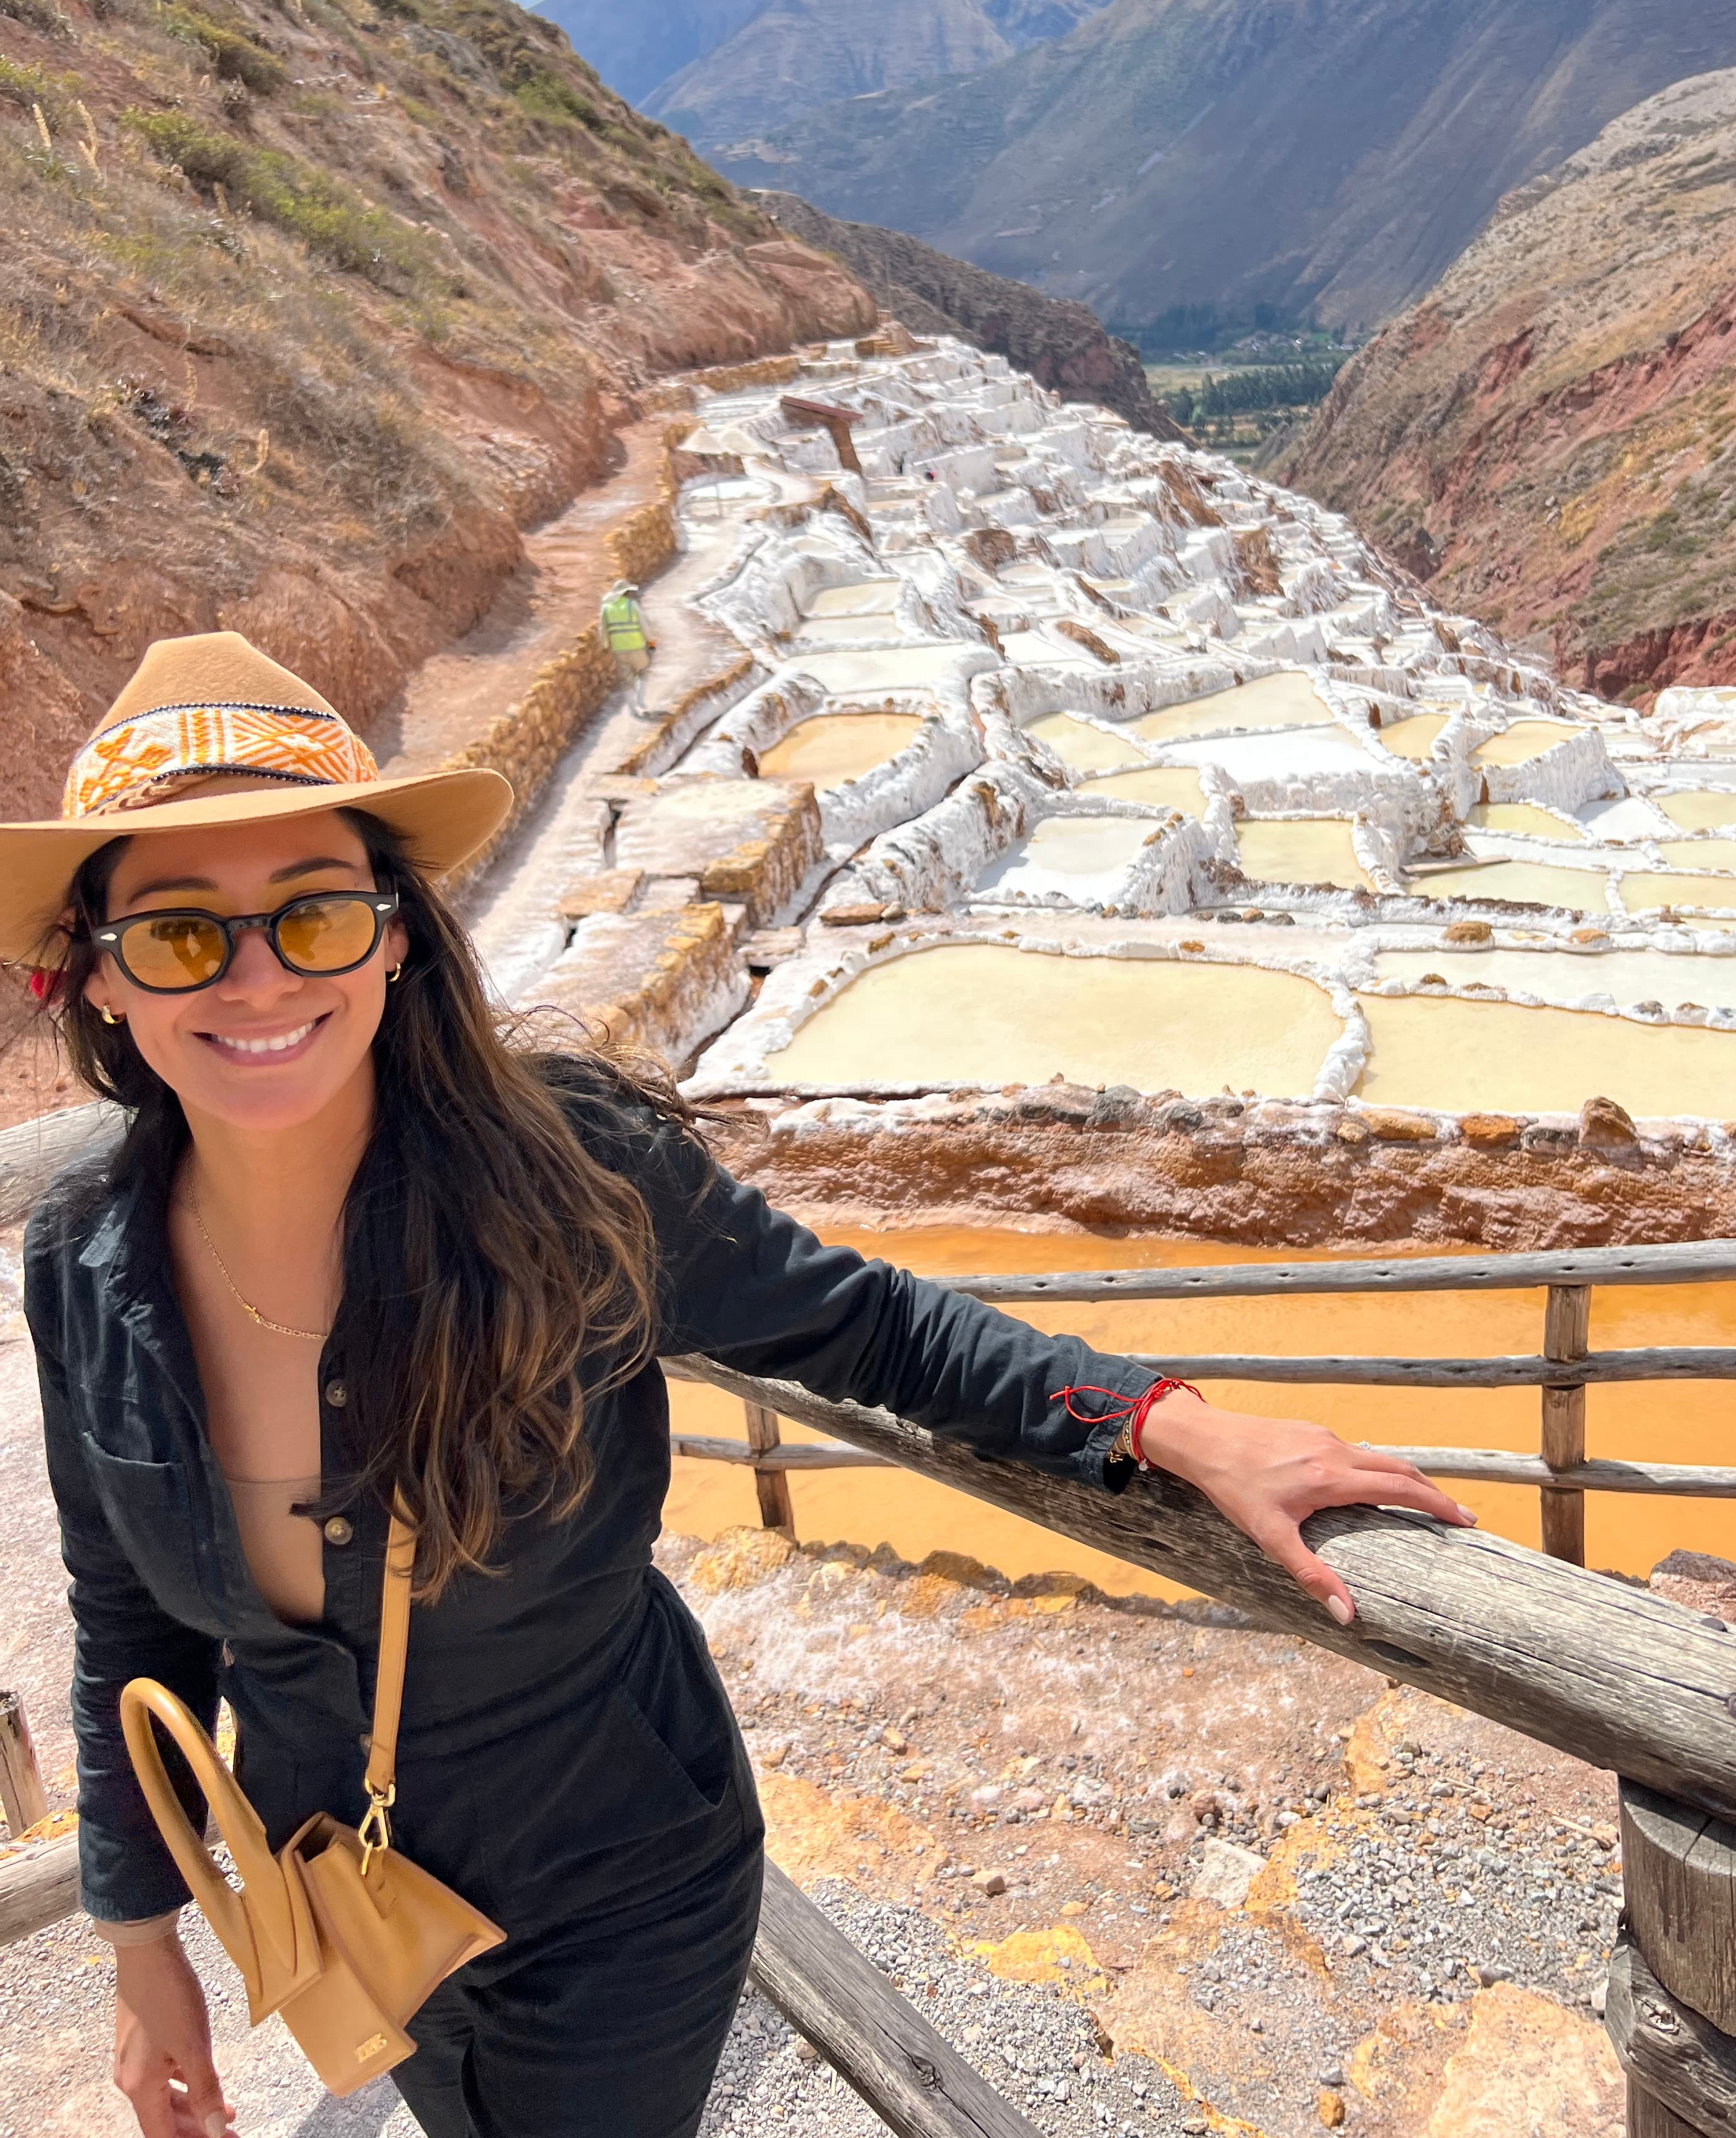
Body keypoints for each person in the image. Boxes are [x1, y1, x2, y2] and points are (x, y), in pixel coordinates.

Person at [5, 633, 1471, 2138]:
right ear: (98, 977)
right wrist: (141, 1945)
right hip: (349, 1904)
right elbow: (129, 1626)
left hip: (620, 1883)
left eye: (312, 915)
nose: (255, 977)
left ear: (394, 937)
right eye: (182, 935)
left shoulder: (564, 1184)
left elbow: (869, 1330)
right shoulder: (83, 1264)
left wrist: (1168, 1424)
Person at [599, 580, 651, 711]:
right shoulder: (632, 605)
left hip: (619, 649)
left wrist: (605, 645)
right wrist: (651, 640)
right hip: (637, 645)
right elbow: (644, 624)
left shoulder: (606, 608)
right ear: (626, 593)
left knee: (626, 680)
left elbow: (603, 630)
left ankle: (633, 708)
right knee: (643, 672)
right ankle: (641, 700)